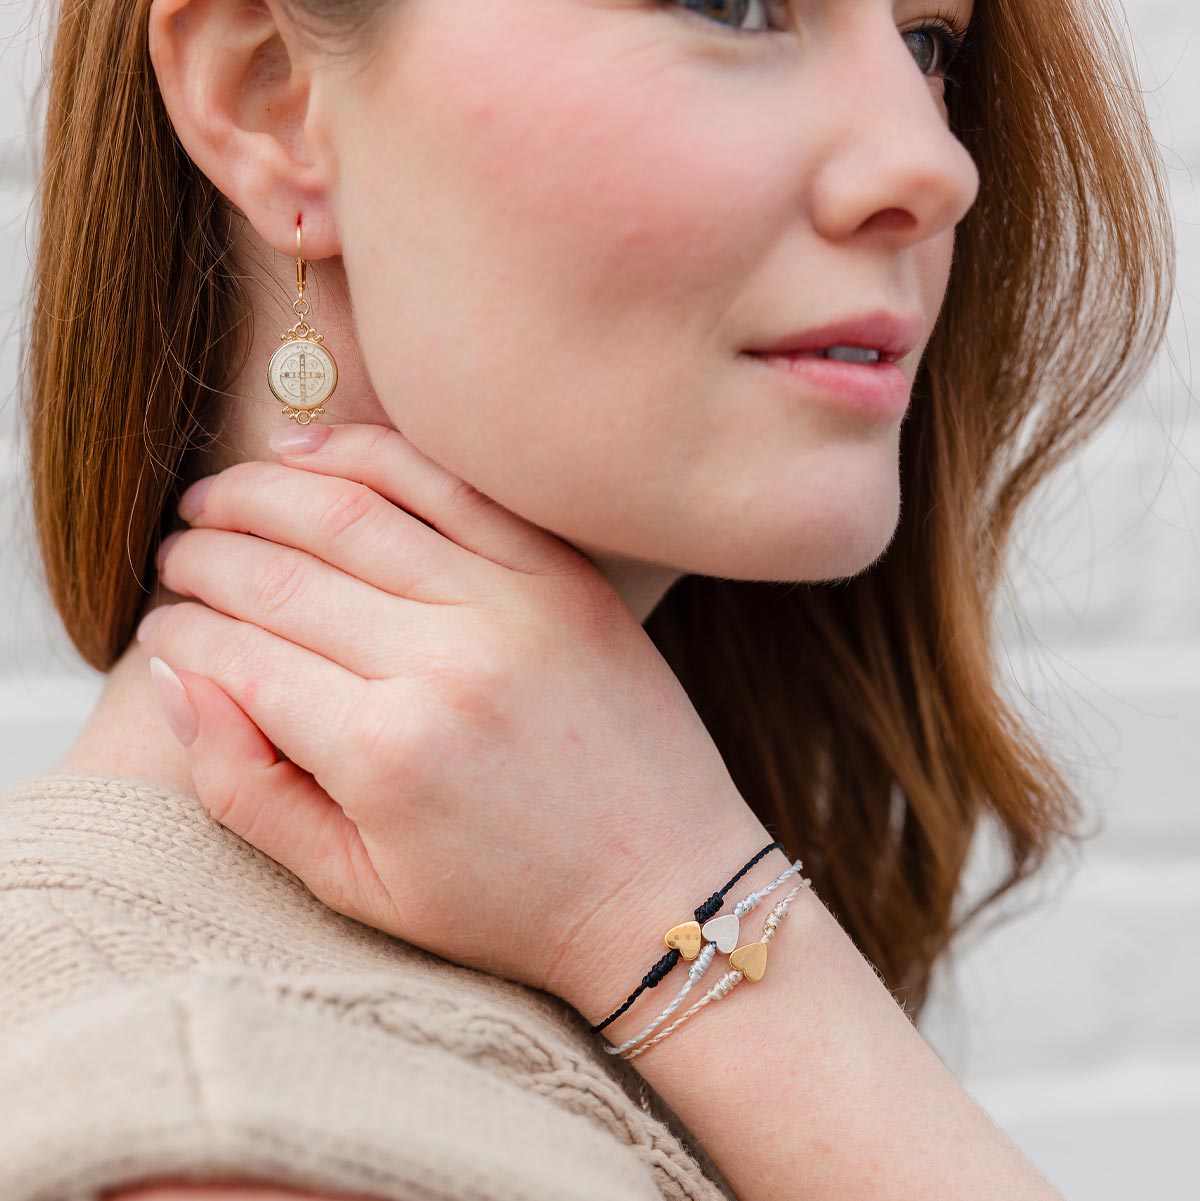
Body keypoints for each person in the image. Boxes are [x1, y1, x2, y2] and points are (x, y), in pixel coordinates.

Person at [2, 0, 1175, 1199]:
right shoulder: (229, 1136)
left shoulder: (543, 966)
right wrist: (701, 921)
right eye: (732, 5)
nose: (935, 166)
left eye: (927, 45)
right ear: (269, 97)